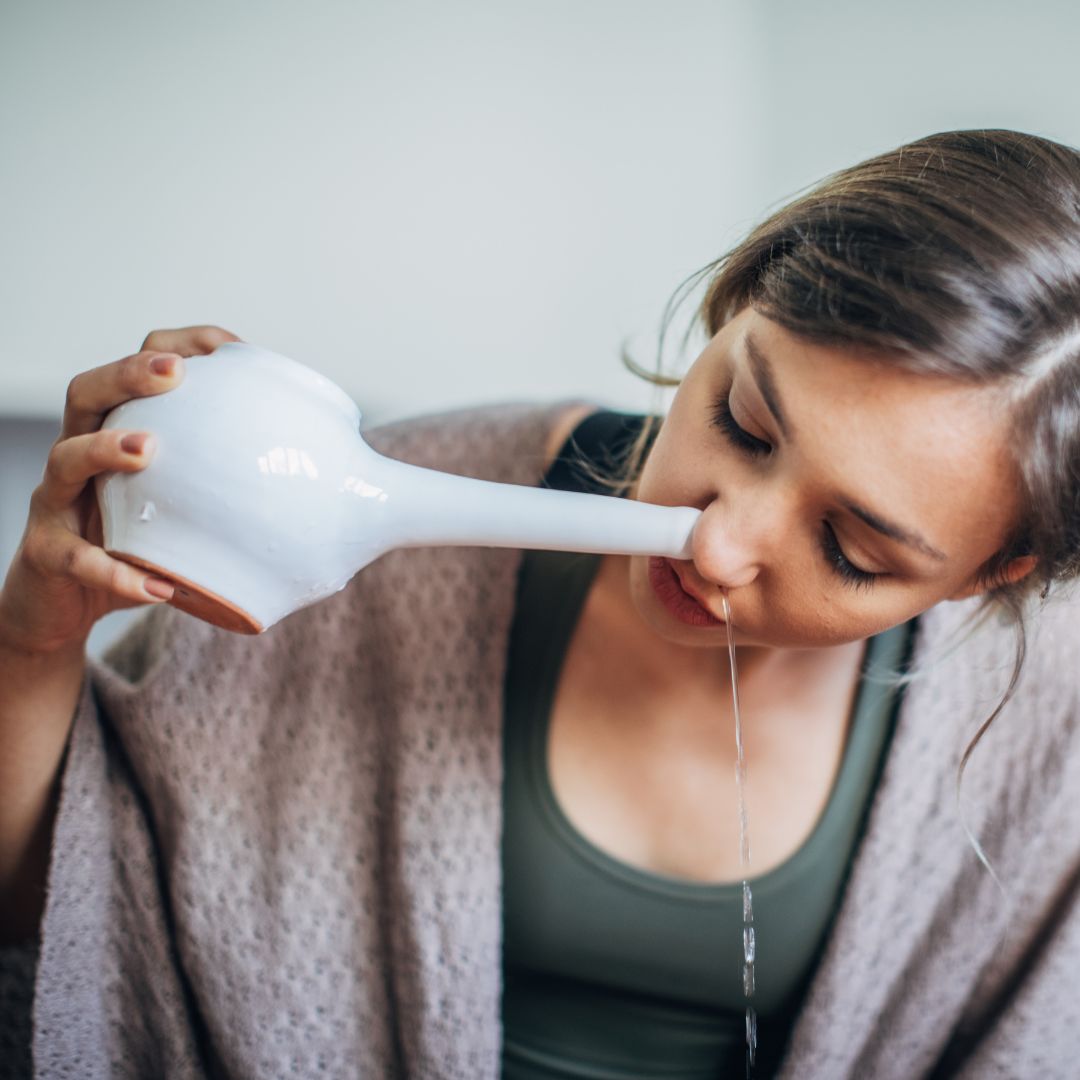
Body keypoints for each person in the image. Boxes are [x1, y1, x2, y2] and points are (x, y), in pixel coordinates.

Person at [1, 127, 1079, 1079]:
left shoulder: (1049, 745)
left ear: (992, 574)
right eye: (745, 424)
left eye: (848, 549)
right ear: (732, 302)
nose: (719, 540)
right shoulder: (391, 534)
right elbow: (62, 937)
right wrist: (30, 637)